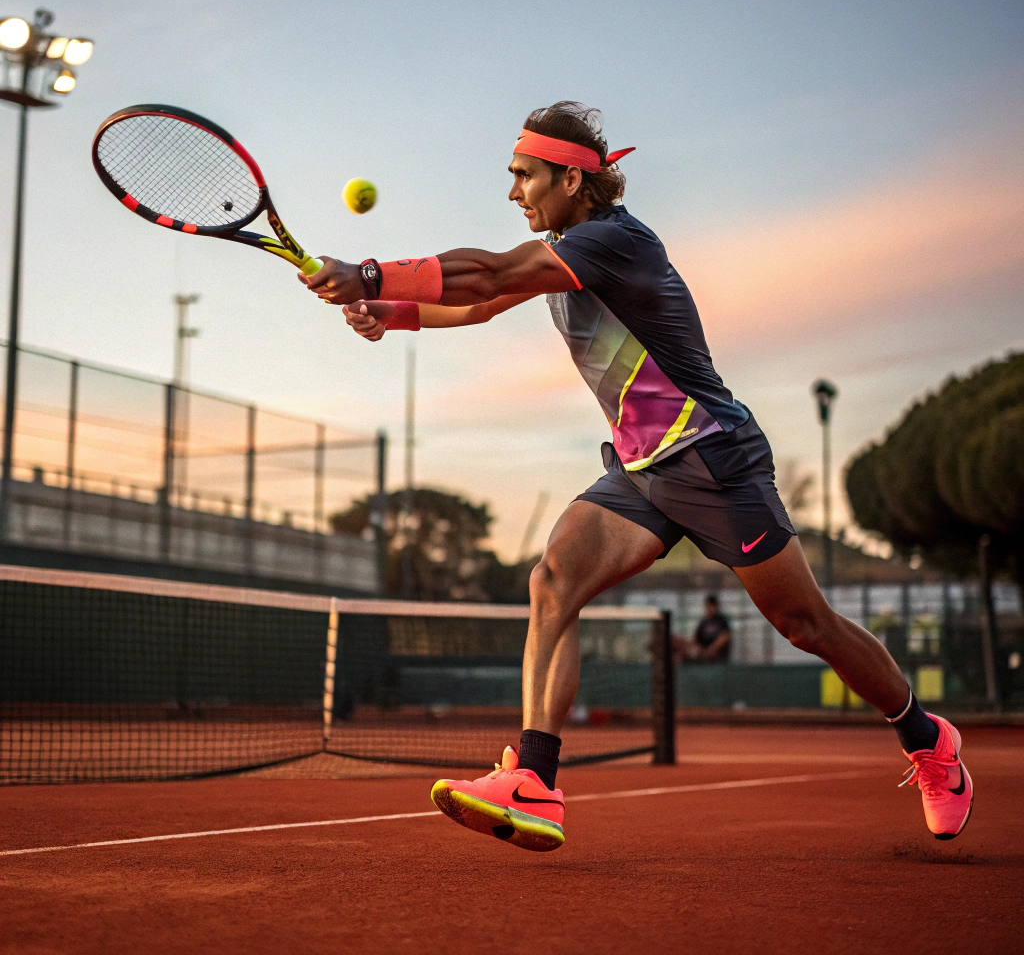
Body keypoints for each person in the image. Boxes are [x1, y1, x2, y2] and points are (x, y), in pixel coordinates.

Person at [300, 101, 972, 851]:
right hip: (639, 468)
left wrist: (364, 271)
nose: (514, 191)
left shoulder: (614, 240)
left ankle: (929, 741)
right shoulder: (564, 253)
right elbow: (486, 297)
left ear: (572, 178)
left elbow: (488, 270)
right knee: (554, 579)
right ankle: (537, 781)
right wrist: (386, 310)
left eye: (524, 176)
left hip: (713, 458)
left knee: (804, 624)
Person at [677, 594, 731, 663]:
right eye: (708, 606)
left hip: (714, 654)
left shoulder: (721, 621)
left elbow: (725, 637)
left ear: (716, 607)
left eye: (712, 606)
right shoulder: (704, 622)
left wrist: (709, 650)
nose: (710, 608)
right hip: (701, 650)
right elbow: (695, 639)